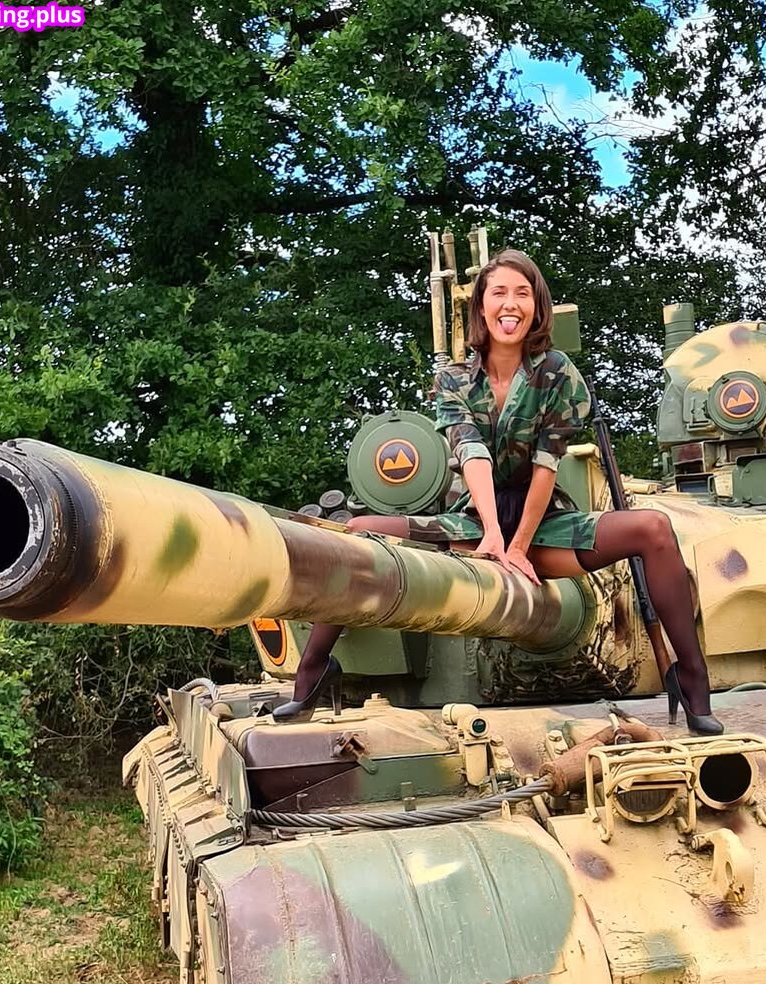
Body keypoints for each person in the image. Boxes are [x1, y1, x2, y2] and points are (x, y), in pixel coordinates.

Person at [274, 249, 721, 734]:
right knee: (357, 530)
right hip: (472, 525)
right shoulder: (453, 380)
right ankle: (314, 671)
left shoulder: (557, 372)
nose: (511, 304)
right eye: (499, 293)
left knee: (653, 528)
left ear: (537, 306)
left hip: (546, 527)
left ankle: (690, 676)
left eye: (523, 293)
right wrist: (490, 534)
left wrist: (519, 546)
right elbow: (472, 454)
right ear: (482, 307)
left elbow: (547, 463)